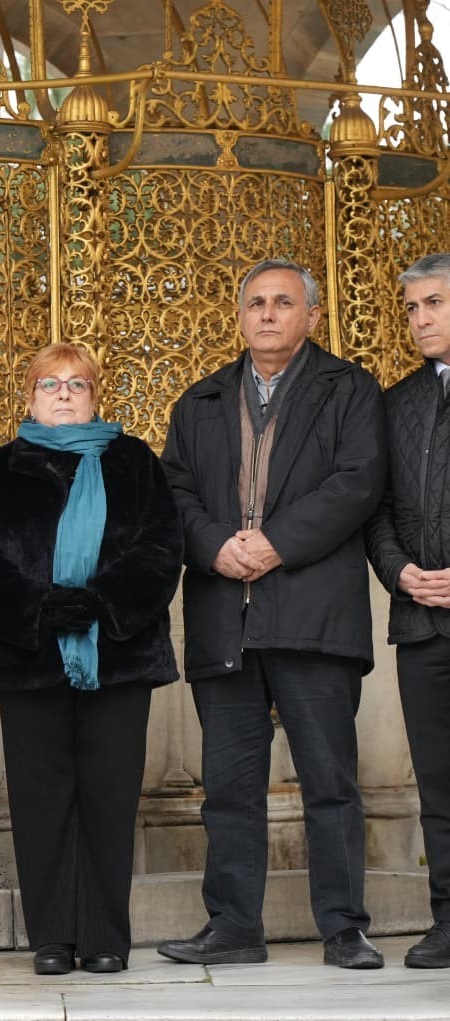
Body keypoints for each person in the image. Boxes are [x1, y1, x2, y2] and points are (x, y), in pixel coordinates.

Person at [158, 259, 387, 969]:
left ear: (310, 316)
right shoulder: (197, 401)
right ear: (239, 315)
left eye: (281, 302)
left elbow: (357, 482)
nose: (265, 314)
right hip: (225, 612)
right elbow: (174, 491)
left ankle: (343, 927)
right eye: (254, 302)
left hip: (312, 615)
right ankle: (232, 926)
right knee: (227, 789)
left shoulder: (348, 390)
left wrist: (275, 543)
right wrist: (213, 546)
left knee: (328, 781)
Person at [0, 342, 182, 975]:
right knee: (41, 800)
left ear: (95, 396)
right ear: (28, 397)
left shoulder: (133, 462)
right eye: (48, 384)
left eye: (76, 384)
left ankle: (106, 938)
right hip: (29, 659)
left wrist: (100, 604)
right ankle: (51, 937)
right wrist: (38, 610)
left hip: (119, 656)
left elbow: (161, 546)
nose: (62, 393)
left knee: (109, 798)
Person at [364, 252, 450, 968]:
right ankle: (448, 920)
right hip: (421, 621)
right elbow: (379, 511)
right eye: (412, 308)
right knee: (439, 779)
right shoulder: (397, 402)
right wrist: (400, 572)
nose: (420, 319)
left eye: (434, 303)